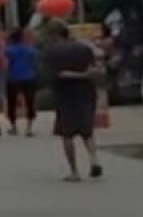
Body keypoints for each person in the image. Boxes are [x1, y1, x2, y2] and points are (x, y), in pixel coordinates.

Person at [40, 21, 102, 182]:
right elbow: (94, 69)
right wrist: (87, 76)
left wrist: (77, 75)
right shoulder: (83, 48)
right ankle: (94, 159)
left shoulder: (50, 52)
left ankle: (74, 171)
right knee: (86, 129)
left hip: (65, 95)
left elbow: (55, 75)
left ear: (53, 35)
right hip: (87, 92)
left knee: (67, 133)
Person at [3, 28, 39, 136]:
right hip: (29, 77)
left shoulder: (8, 50)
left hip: (13, 78)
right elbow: (36, 60)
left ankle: (13, 127)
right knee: (30, 102)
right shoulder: (30, 49)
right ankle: (29, 128)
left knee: (12, 102)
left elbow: (5, 64)